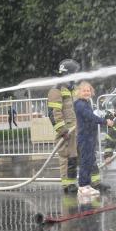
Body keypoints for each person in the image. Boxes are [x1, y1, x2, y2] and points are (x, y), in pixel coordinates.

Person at [74, 81, 113, 196]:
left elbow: (92, 117)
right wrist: (105, 122)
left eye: (88, 90)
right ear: (79, 92)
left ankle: (87, 185)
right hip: (85, 138)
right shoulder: (80, 104)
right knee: (85, 162)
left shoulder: (86, 103)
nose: (87, 92)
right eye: (84, 90)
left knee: (89, 161)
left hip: (90, 137)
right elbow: (90, 117)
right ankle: (82, 186)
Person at [47, 59, 80, 193]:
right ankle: (67, 185)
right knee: (66, 158)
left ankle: (73, 183)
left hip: (76, 130)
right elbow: (54, 113)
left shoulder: (72, 89)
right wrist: (62, 131)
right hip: (67, 132)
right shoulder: (57, 90)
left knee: (74, 158)